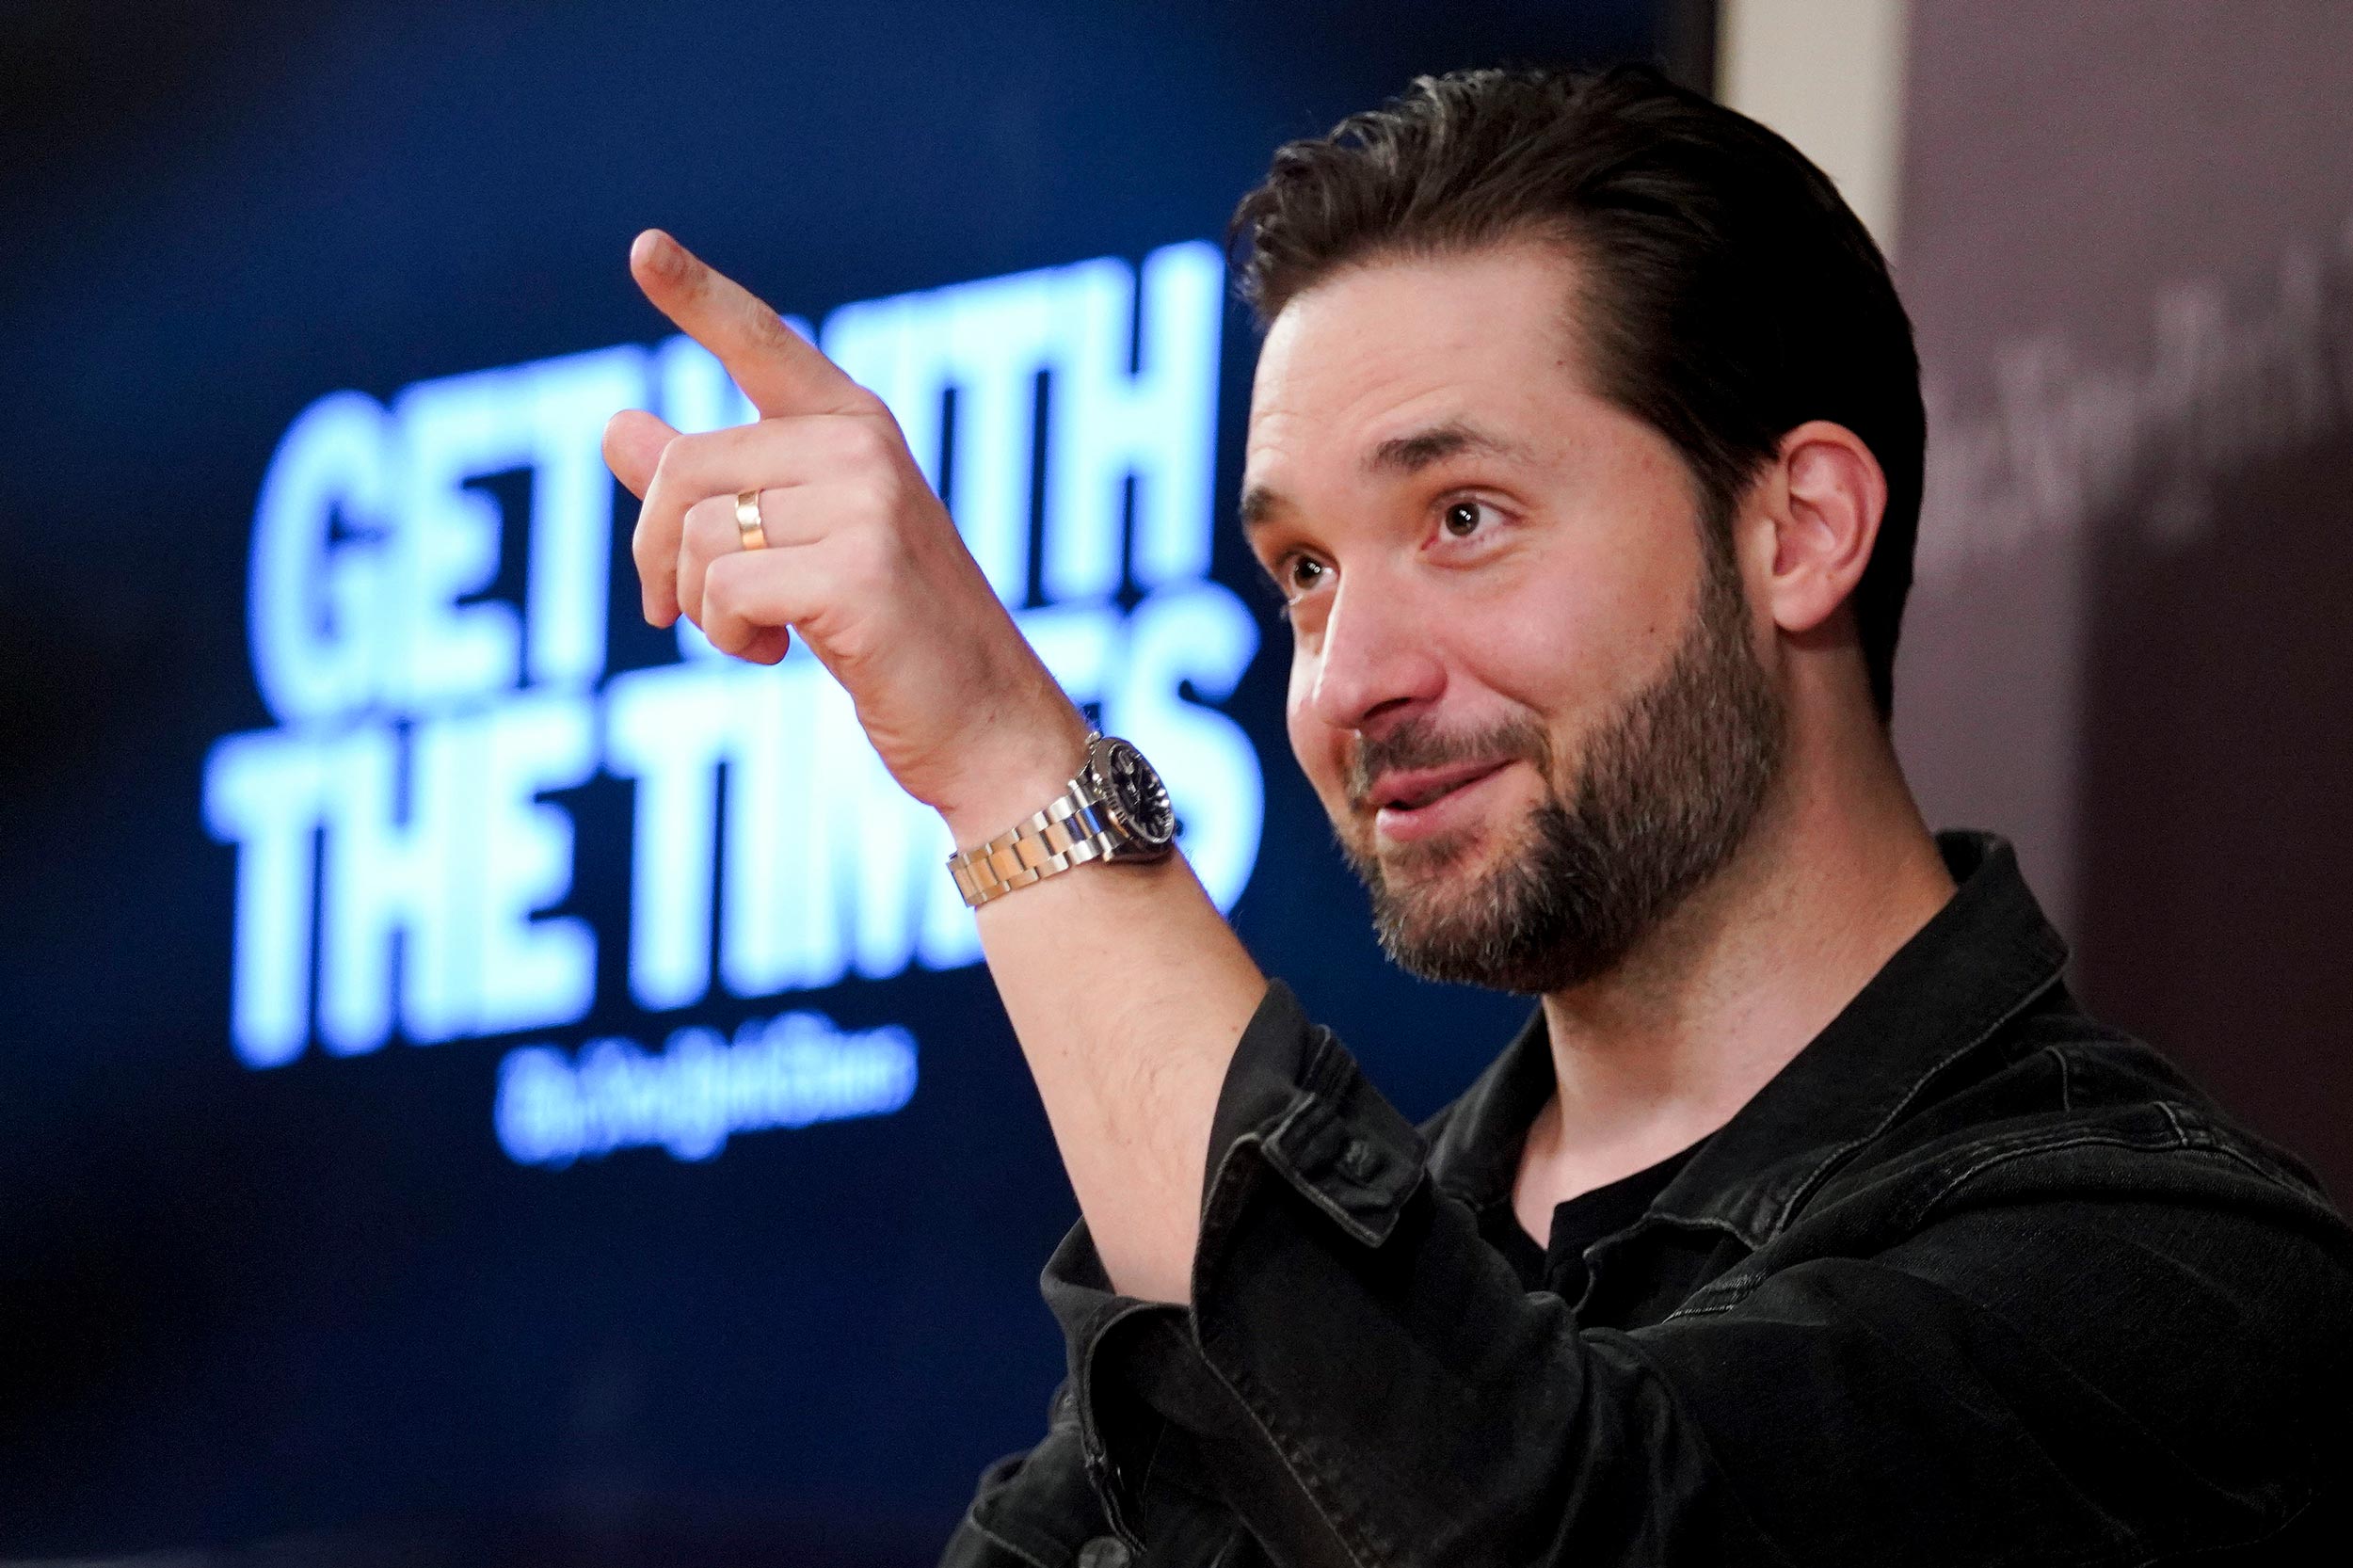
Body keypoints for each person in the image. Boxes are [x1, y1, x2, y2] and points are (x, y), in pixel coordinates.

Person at [600, 64, 2353, 1568]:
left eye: (1463, 518)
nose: (1347, 675)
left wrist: (1005, 752)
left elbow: (1544, 1520)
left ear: (1801, 530)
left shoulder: (2170, 1270)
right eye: (1301, 569)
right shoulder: (1333, 1273)